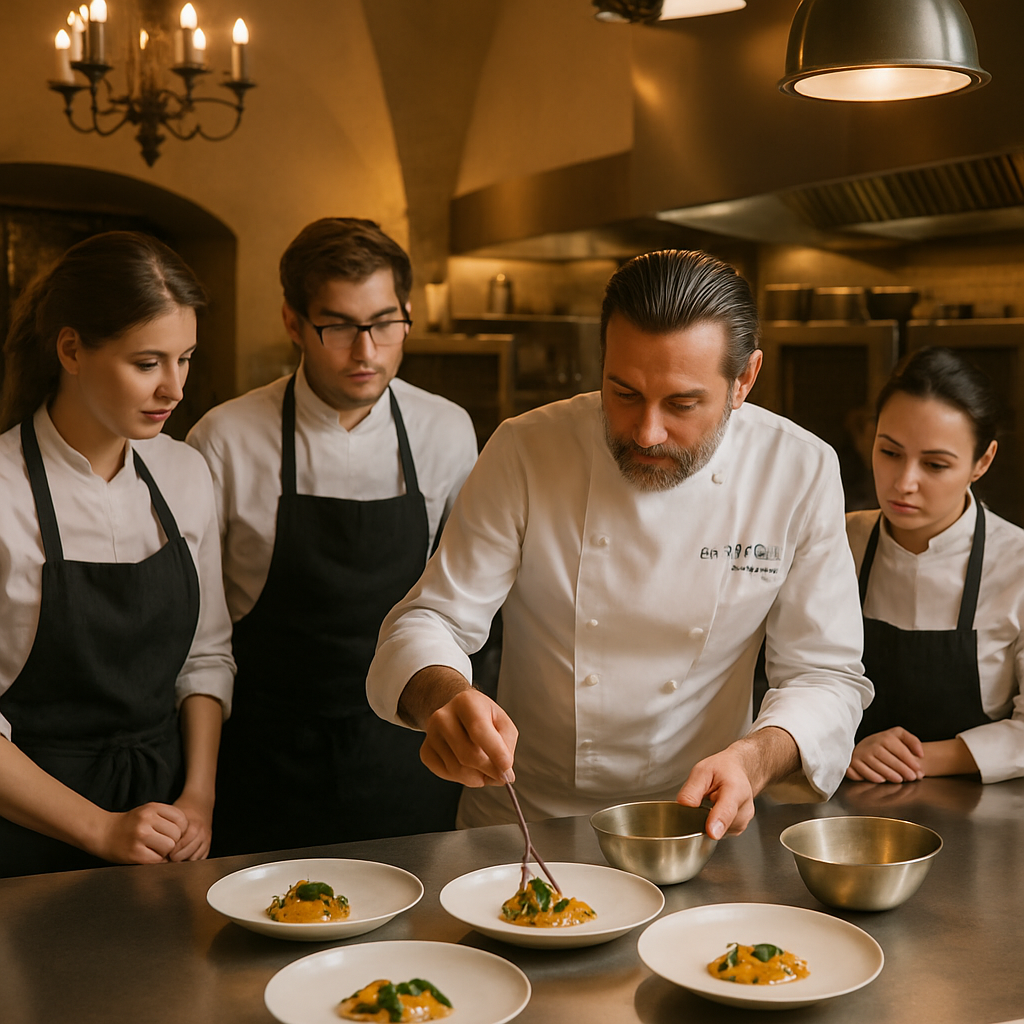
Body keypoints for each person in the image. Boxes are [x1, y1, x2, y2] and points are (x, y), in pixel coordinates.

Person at [367, 249, 871, 839]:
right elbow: (433, 619)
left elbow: (824, 675)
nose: (647, 432)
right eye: (623, 392)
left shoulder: (798, 469)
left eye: (682, 403)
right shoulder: (526, 450)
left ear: (744, 380)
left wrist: (753, 761)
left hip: (699, 824)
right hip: (525, 821)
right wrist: (445, 696)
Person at [187, 217, 478, 855]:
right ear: (293, 323)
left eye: (385, 323)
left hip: (408, 759)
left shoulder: (447, 431)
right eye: (339, 327)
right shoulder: (225, 439)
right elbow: (199, 635)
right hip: (266, 764)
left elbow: (466, 609)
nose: (366, 352)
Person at [0, 231, 235, 878]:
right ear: (71, 349)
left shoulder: (184, 473)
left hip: (166, 830)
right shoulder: (5, 491)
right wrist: (101, 830)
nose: (174, 388)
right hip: (28, 840)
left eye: (185, 359)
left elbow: (206, 656)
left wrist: (198, 799)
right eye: (148, 363)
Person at [846, 347, 1024, 785]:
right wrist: (839, 747)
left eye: (935, 464)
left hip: (985, 808)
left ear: (982, 462)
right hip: (844, 798)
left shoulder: (1017, 563)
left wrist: (915, 759)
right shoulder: (836, 542)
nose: (904, 482)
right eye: (890, 453)